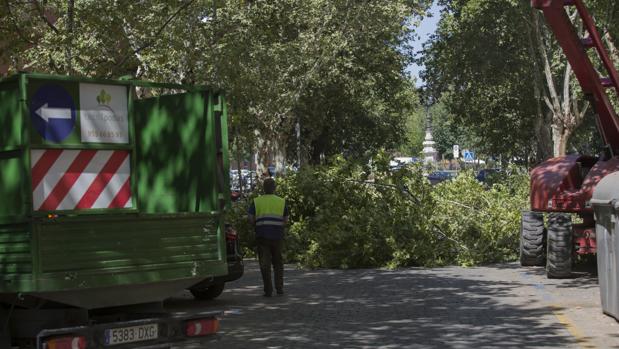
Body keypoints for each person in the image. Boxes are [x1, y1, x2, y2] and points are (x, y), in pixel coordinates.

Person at [248, 177, 289, 297]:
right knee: (278, 263)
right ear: (275, 188)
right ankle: (279, 288)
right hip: (277, 236)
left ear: (263, 188)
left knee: (264, 264)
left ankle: (268, 290)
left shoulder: (257, 201)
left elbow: (250, 218)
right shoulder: (281, 201)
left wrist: (255, 224)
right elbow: (285, 219)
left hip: (262, 236)